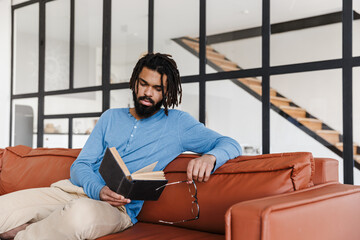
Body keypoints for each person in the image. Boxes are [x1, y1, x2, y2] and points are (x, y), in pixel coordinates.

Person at [0, 53, 241, 240]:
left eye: (157, 89)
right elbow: (80, 166)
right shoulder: (110, 117)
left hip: (117, 210)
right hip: (70, 190)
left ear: (167, 92)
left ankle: (21, 235)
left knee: (79, 215)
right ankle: (37, 227)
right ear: (134, 82)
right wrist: (98, 188)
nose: (148, 93)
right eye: (144, 84)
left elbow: (229, 143)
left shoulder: (178, 124)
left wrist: (210, 157)